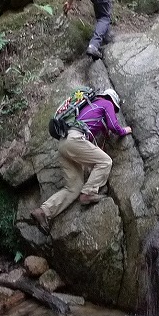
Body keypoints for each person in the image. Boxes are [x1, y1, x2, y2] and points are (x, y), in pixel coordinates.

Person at [31, 89, 131, 233]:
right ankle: (88, 193)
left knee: (73, 188)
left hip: (63, 143)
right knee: (105, 162)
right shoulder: (106, 103)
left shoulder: (87, 107)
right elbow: (114, 126)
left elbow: (101, 129)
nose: (113, 111)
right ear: (112, 100)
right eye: (115, 109)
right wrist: (125, 130)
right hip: (75, 139)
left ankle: (43, 211)